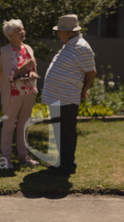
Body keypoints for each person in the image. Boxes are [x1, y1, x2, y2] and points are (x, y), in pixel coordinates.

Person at [41, 14, 96, 176]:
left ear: (68, 32)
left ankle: (68, 165)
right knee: (58, 131)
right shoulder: (70, 44)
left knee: (66, 132)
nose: (58, 34)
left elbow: (91, 72)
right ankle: (60, 162)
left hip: (67, 98)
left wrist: (83, 90)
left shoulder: (82, 47)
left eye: (59, 31)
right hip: (57, 97)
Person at [0, 19, 40, 169]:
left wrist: (32, 73)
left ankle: (23, 156)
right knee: (8, 126)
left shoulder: (27, 48)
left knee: (24, 126)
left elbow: (32, 69)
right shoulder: (6, 51)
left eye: (22, 29)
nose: (22, 32)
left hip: (28, 91)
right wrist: (25, 67)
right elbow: (9, 76)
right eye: (18, 31)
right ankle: (6, 159)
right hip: (13, 94)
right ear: (10, 35)